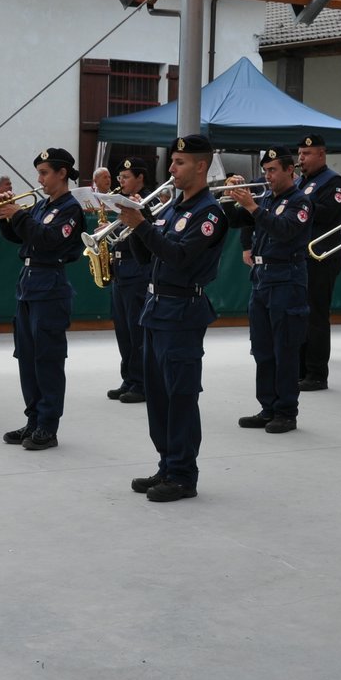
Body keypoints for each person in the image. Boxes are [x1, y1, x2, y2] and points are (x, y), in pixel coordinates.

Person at [118, 134, 228, 502]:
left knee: (180, 395)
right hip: (156, 309)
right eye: (172, 162)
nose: (171, 169)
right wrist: (138, 224)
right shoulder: (175, 208)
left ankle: (183, 474)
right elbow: (148, 257)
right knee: (158, 396)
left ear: (201, 165)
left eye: (179, 162)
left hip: (182, 311)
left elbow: (181, 257)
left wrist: (142, 226)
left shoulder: (209, 213)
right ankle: (167, 464)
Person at [0, 149, 84, 450]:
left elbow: (48, 240)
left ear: (62, 173)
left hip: (50, 283)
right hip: (29, 283)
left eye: (44, 172)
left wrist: (17, 214)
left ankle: (48, 425)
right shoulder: (43, 205)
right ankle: (33, 419)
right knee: (27, 357)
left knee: (47, 358)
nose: (40, 179)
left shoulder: (71, 209)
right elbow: (21, 238)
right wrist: (4, 219)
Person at [229, 146, 313, 433]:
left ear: (290, 170)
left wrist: (252, 206)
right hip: (262, 277)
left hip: (287, 277)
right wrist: (234, 198)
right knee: (262, 348)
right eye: (265, 171)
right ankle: (268, 407)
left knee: (285, 348)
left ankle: (286, 412)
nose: (268, 176)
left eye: (273, 170)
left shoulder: (299, 202)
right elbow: (233, 220)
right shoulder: (265, 198)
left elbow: (284, 229)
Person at [296, 133, 341, 391]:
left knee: (316, 315)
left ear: (321, 154)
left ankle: (317, 373)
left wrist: (297, 203)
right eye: (299, 154)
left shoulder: (333, 182)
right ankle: (300, 368)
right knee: (300, 315)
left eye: (306, 154)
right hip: (300, 256)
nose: (301, 158)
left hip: (322, 256)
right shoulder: (300, 182)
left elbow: (328, 213)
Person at [106, 157, 152, 404]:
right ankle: (129, 378)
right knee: (122, 328)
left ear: (140, 178)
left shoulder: (149, 201)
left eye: (126, 177)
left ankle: (141, 381)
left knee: (136, 328)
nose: (120, 181)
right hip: (120, 267)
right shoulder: (120, 201)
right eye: (120, 177)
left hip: (137, 266)